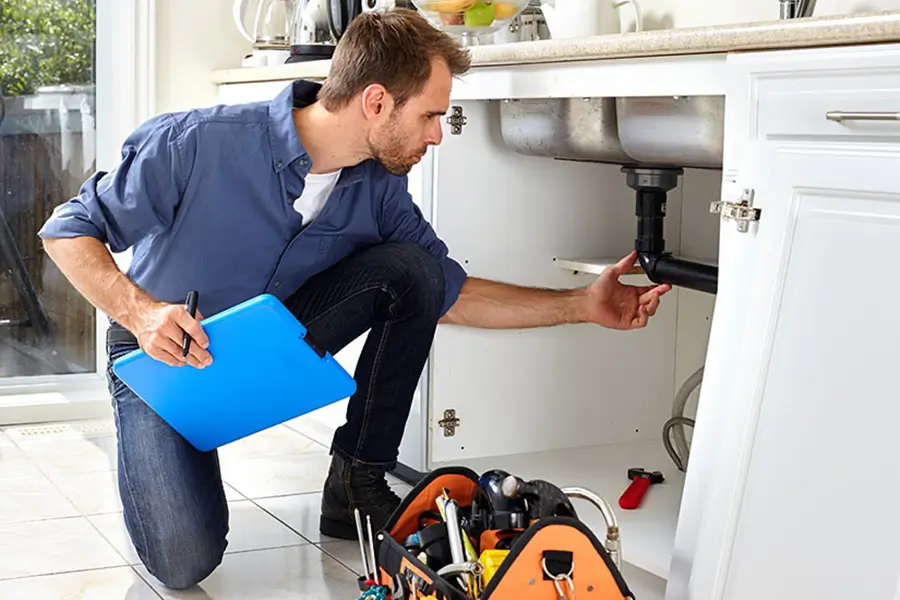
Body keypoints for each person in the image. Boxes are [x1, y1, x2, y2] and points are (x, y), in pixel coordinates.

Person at [37, 7, 670, 590]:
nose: (437, 136)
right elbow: (67, 230)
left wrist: (582, 304)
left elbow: (448, 294)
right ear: (375, 102)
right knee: (183, 562)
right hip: (165, 358)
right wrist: (142, 313)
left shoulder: (380, 193)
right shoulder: (196, 142)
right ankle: (180, 439)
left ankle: (356, 484)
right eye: (429, 116)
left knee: (414, 269)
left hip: (270, 341)